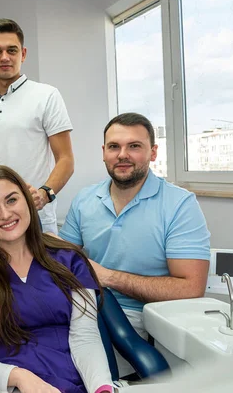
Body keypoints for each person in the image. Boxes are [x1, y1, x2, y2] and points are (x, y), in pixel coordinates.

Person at [0, 165, 116, 393]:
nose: (5, 214)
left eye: (11, 200)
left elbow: (86, 339)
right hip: (8, 387)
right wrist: (18, 377)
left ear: (28, 201)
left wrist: (102, 388)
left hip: (73, 383)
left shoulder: (70, 260)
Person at [59, 112, 210, 375]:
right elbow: (63, 259)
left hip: (146, 320)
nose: (122, 155)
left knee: (73, 372)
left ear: (153, 152)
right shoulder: (85, 200)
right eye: (114, 147)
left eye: (134, 146)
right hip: (86, 306)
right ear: (103, 152)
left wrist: (108, 277)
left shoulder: (179, 205)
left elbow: (191, 288)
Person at [0, 19, 75, 235]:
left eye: (12, 50)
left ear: (23, 54)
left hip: (36, 217)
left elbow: (66, 159)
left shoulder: (46, 96)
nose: (4, 57)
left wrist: (45, 194)